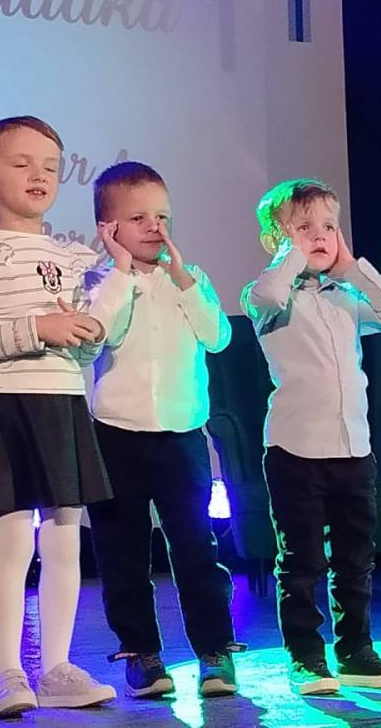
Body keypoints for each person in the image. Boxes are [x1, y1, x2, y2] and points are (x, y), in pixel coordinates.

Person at [0, 116, 116, 718]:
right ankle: (8, 673)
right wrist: (40, 327)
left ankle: (57, 667)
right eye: (21, 163)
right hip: (9, 404)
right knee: (12, 544)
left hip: (63, 405)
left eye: (50, 167)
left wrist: (87, 336)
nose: (39, 175)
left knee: (65, 541)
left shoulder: (69, 256)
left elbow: (77, 347)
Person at [241, 178, 381, 695]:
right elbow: (269, 291)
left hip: (352, 448)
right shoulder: (268, 296)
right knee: (301, 561)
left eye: (329, 226)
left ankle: (356, 651)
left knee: (355, 559)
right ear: (276, 239)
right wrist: (292, 257)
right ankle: (305, 657)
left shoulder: (346, 299)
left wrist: (350, 267)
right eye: (304, 227)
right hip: (295, 449)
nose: (319, 236)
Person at [86, 161, 242, 698]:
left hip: (181, 434)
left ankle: (215, 652)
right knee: (123, 550)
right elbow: (99, 334)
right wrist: (121, 273)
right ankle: (142, 653)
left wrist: (184, 281)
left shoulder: (189, 278)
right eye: (139, 218)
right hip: (116, 434)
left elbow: (217, 337)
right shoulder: (99, 281)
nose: (155, 227)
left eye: (163, 216)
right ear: (109, 228)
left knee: (197, 547)